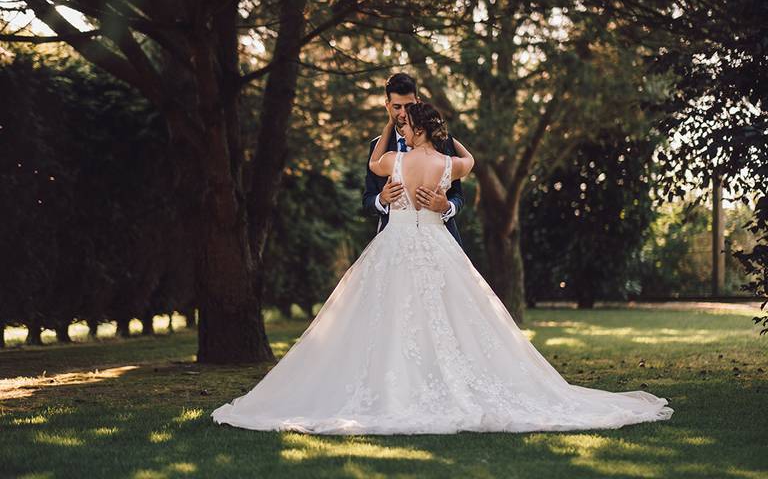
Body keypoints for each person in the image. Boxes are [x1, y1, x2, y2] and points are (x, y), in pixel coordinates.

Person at [210, 101, 673, 435]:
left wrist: (393, 131)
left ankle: (391, 386)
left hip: (395, 244)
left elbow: (373, 161)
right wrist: (443, 139)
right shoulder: (450, 164)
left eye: (406, 124)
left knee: (386, 316)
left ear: (416, 129)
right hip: (435, 245)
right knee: (451, 317)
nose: (402, 129)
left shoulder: (395, 159)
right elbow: (471, 159)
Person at [362, 73, 465, 247]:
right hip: (393, 244)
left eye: (408, 106)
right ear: (387, 105)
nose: (403, 114)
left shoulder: (443, 141)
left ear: (418, 102)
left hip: (440, 243)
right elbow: (367, 201)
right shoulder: (378, 147)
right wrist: (382, 199)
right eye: (397, 107)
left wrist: (447, 206)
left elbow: (458, 195)